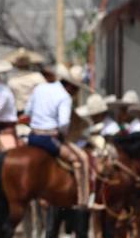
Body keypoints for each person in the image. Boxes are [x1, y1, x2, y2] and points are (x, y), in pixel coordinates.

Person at [23, 63, 94, 209]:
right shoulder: (65, 97)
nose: (76, 94)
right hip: (49, 139)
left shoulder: (40, 88)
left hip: (32, 137)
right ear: (72, 87)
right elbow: (63, 123)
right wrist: (62, 134)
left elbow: (28, 111)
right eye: (76, 90)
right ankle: (82, 200)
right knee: (78, 159)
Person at [4, 47, 46, 113]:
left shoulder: (12, 80)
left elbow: (9, 99)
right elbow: (45, 94)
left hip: (19, 112)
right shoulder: (38, 77)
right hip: (36, 111)